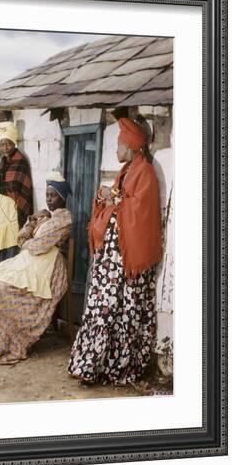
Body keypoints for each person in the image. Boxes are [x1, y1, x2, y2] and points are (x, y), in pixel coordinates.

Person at [67, 117, 162, 386]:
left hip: (125, 261)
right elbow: (121, 201)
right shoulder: (127, 171)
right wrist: (106, 196)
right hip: (112, 261)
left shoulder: (144, 173)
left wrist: (114, 197)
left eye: (119, 144)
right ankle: (92, 367)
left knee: (119, 312)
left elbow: (139, 210)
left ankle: (115, 368)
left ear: (131, 147)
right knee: (102, 309)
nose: (116, 149)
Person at [0, 172, 72, 365]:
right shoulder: (47, 217)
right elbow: (22, 236)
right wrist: (33, 221)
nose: (49, 199)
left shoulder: (64, 221)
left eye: (53, 195)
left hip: (47, 265)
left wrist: (27, 241)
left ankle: (4, 345)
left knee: (2, 291)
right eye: (47, 195)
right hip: (30, 261)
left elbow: (39, 246)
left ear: (62, 197)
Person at [0, 121, 33, 275]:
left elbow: (17, 186)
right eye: (2, 144)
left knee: (9, 248)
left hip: (12, 213)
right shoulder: (3, 162)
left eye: (8, 144)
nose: (5, 147)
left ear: (13, 143)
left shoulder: (20, 161)